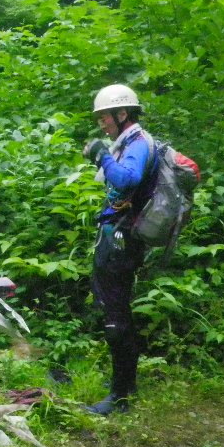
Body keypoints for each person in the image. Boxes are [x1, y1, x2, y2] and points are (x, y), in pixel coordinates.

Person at [82, 84, 157, 415]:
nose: (102, 124)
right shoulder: (129, 143)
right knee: (117, 312)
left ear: (122, 114)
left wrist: (100, 154)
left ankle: (120, 398)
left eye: (105, 117)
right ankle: (125, 389)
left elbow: (127, 180)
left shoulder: (138, 144)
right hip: (118, 236)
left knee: (116, 318)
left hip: (122, 240)